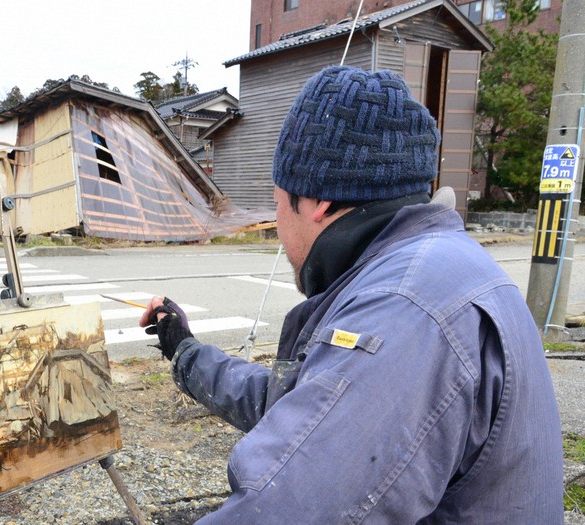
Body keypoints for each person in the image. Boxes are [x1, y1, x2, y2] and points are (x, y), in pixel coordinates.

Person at [139, 66, 563, 523]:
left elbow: (284, 509)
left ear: (317, 201)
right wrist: (186, 351)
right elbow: (310, 411)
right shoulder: (437, 268)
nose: (279, 229)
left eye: (278, 203)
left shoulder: (404, 309)